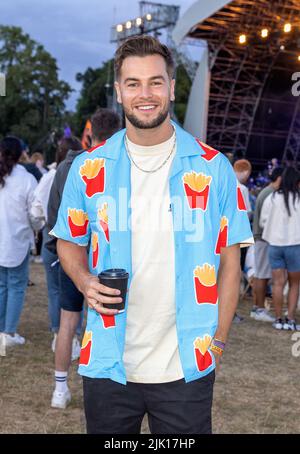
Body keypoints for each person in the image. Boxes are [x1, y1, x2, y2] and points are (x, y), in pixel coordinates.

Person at [51, 36, 253, 433]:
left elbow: (231, 262)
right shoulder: (89, 169)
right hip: (108, 362)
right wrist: (84, 280)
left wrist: (220, 342)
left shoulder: (214, 169)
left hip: (186, 368)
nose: (145, 94)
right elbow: (68, 241)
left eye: (156, 82)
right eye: (133, 83)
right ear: (119, 91)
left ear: (172, 86)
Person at [49, 109, 121, 409]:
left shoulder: (66, 167)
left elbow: (54, 212)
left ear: (90, 134)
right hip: (98, 255)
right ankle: (102, 392)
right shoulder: (115, 166)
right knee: (100, 323)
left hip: (70, 255)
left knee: (68, 323)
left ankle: (60, 388)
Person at [31, 137, 83, 343]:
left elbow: (37, 206)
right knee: (67, 292)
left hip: (52, 238)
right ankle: (68, 335)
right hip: (63, 239)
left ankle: (59, 334)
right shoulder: (76, 170)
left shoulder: (51, 175)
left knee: (57, 291)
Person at [0, 137, 43, 351]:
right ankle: (8, 332)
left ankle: (2, 330)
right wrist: (37, 225)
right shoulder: (26, 179)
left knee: (2, 286)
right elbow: (36, 213)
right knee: (16, 287)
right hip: (16, 239)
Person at [260, 166, 300, 331]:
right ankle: (290, 319)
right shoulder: (298, 199)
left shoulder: (272, 198)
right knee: (294, 284)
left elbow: (263, 222)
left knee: (277, 283)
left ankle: (278, 318)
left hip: (275, 245)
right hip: (295, 246)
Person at [250, 167, 283, 322]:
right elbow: (266, 221)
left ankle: (258, 308)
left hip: (260, 238)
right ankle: (259, 309)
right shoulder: (270, 193)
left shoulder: (266, 192)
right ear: (280, 178)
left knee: (260, 274)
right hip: (263, 238)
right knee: (262, 275)